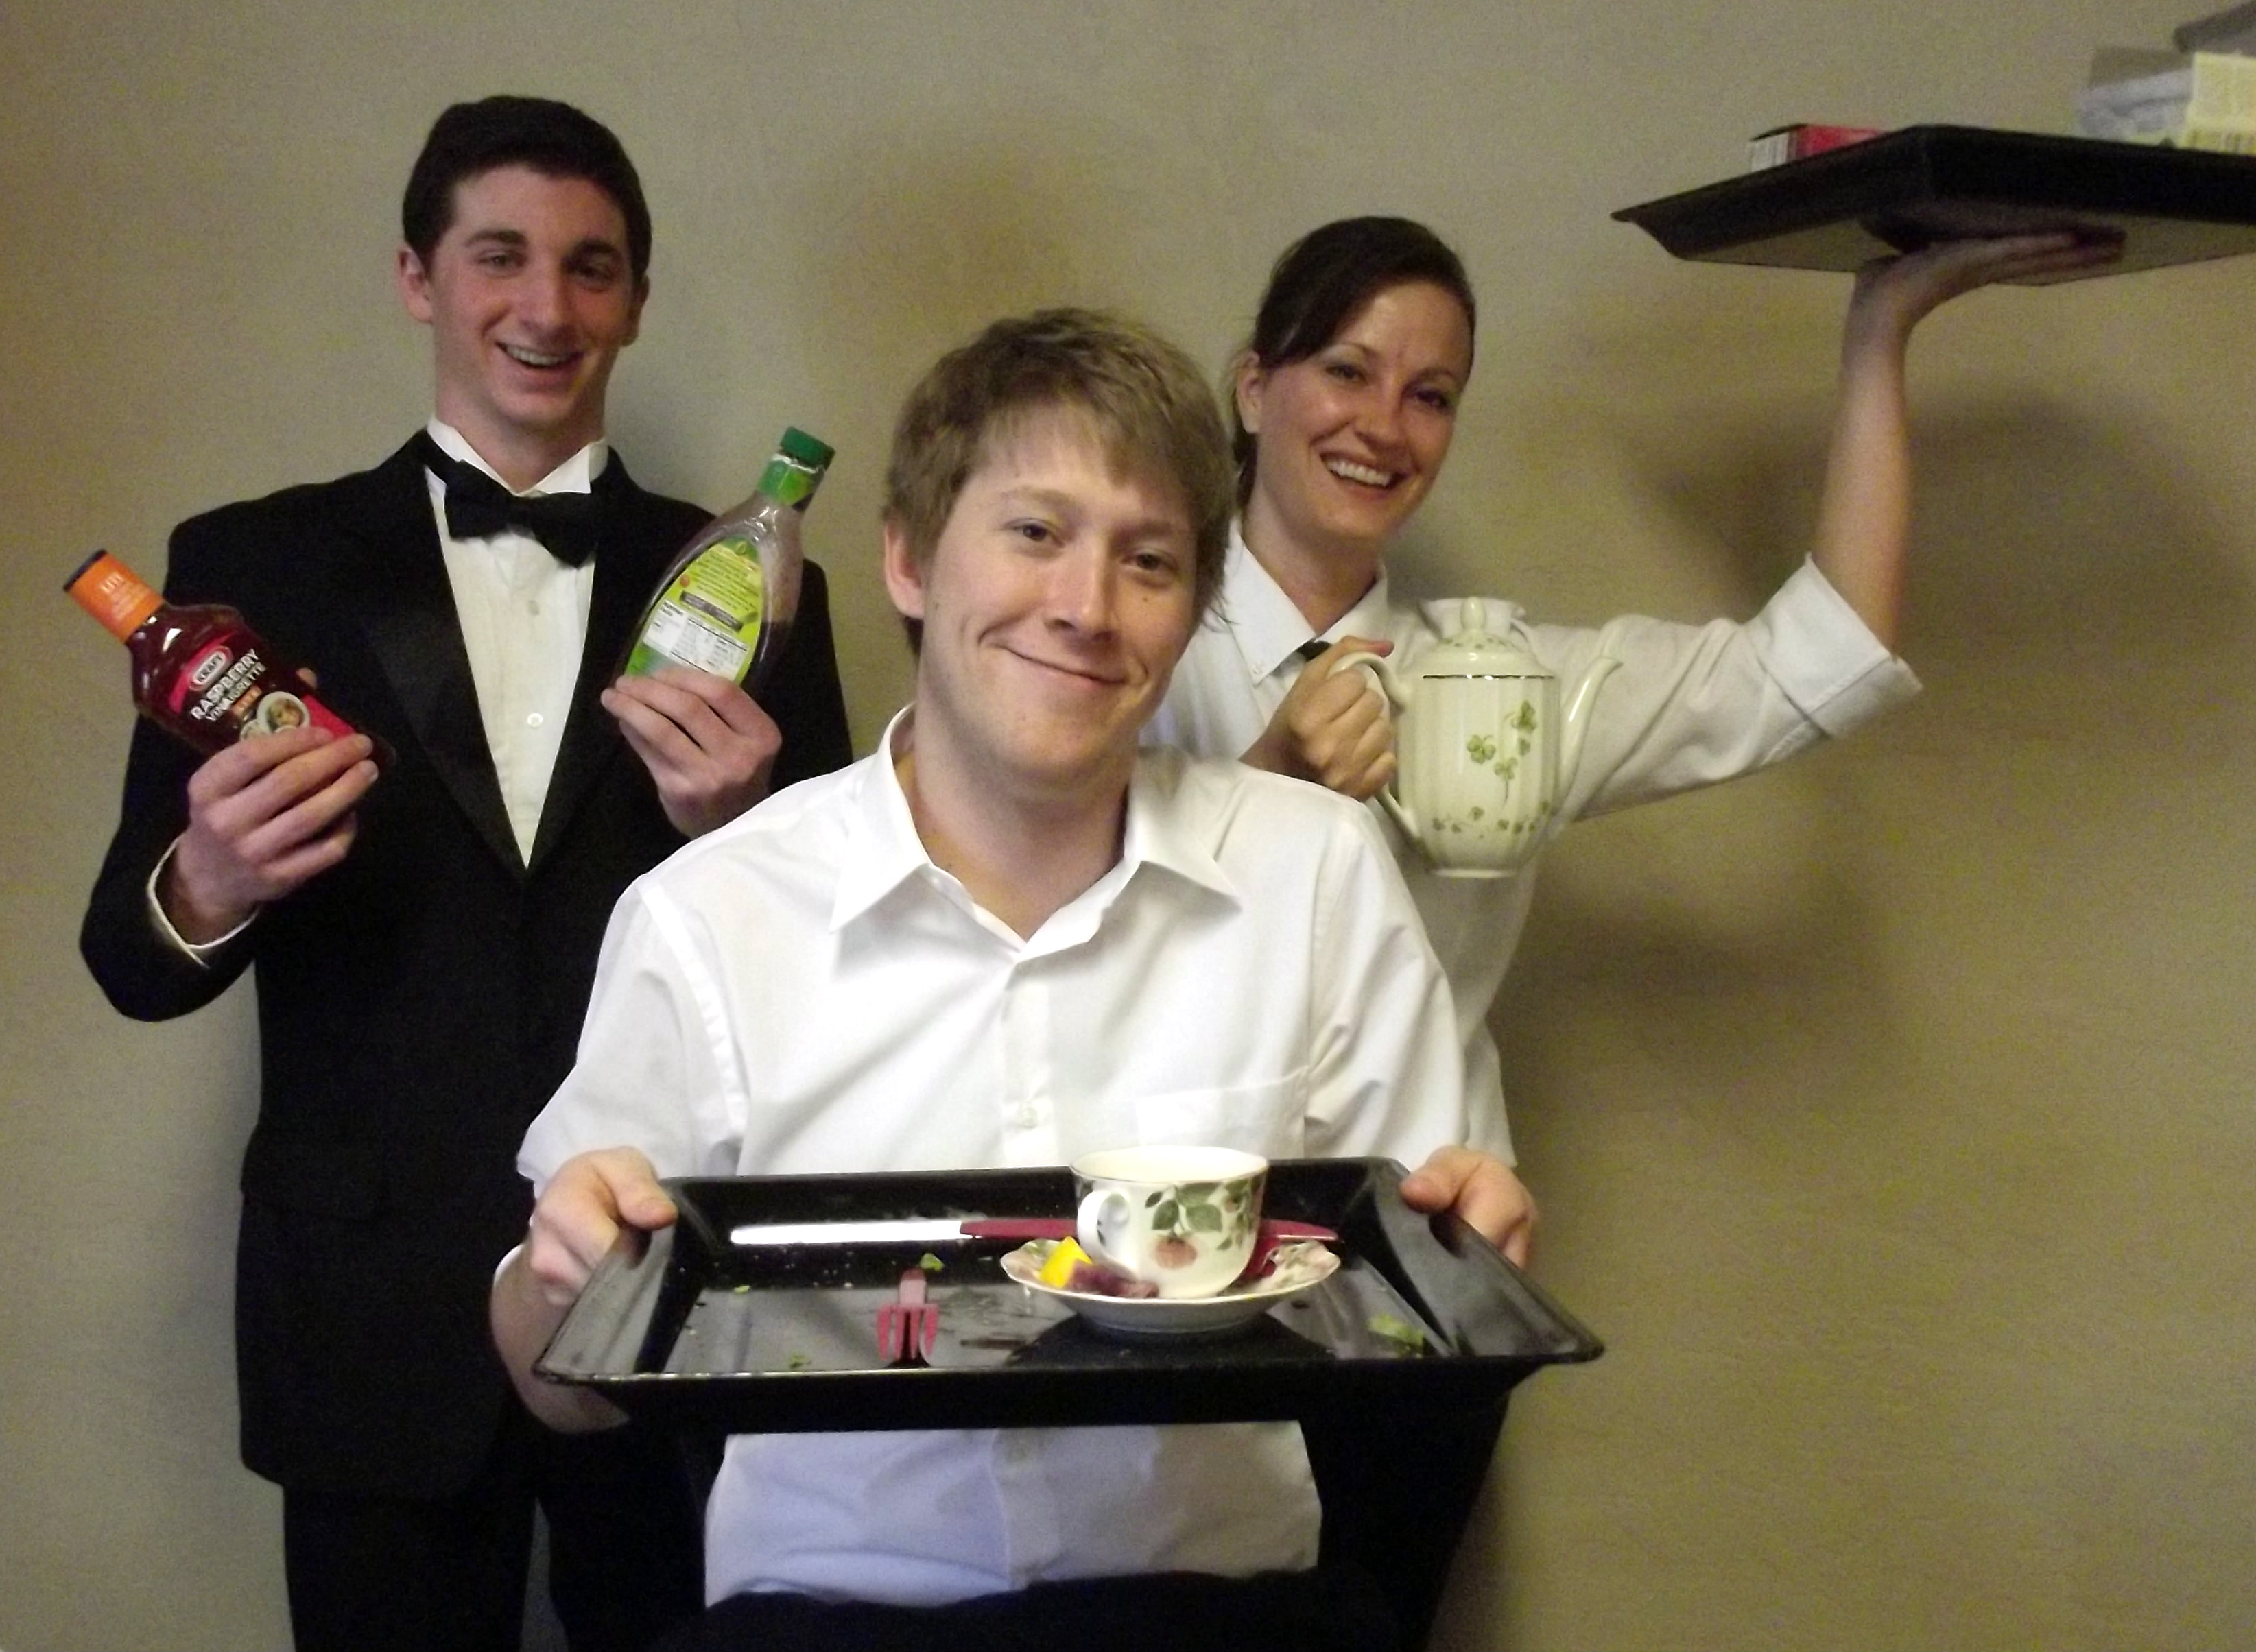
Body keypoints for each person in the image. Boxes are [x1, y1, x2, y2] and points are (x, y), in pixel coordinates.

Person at [490, 307, 1532, 1652]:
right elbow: (557, 1384)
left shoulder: (1315, 874)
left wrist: (1469, 1257)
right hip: (824, 1621)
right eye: (1036, 532)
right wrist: (561, 1288)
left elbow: (1423, 1300)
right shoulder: (710, 911)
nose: (1086, 607)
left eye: (1148, 560)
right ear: (910, 558)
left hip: (1221, 1615)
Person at [78, 96, 855, 1652]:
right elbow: (128, 956)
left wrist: (745, 834)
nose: (546, 306)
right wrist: (214, 873)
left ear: (636, 299)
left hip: (663, 1285)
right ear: (416, 277)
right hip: (367, 1301)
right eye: (500, 255)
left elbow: (848, 979)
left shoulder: (764, 584)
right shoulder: (250, 565)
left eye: (591, 266)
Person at [1149, 215, 2120, 1152]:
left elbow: (1816, 654)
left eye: (1430, 396)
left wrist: (1880, 329)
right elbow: (1083, 937)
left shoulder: (1504, 689)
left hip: (1426, 1226)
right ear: (1255, 390)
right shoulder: (1121, 650)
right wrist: (1267, 785)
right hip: (1165, 1211)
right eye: (1347, 371)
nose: (1384, 426)